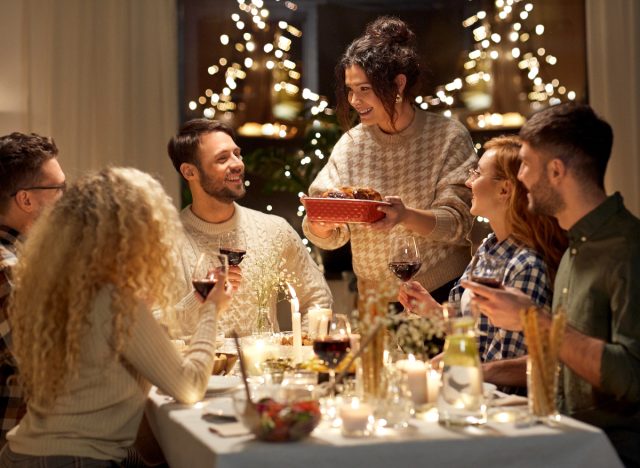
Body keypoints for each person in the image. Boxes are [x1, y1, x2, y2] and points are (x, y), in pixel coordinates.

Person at [0, 167, 231, 465]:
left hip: (22, 454)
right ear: (130, 235)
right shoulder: (113, 301)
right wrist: (211, 310)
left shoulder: (58, 293)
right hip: (74, 460)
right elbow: (189, 386)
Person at [462, 104, 640, 467]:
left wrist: (535, 320)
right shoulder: (576, 248)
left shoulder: (627, 250)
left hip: (610, 452)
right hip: (565, 435)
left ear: (556, 171)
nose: (520, 177)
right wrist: (489, 372)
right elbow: (569, 360)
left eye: (526, 164)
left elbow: (633, 375)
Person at [303, 16, 476, 303]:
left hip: (441, 294)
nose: (354, 101)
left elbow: (460, 224)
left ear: (398, 85)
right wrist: (321, 223)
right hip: (374, 301)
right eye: (350, 90)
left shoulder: (448, 137)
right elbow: (329, 228)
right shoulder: (351, 145)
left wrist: (405, 215)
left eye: (364, 89)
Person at [399, 135, 567, 393]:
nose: (468, 182)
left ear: (504, 190)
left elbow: (503, 365)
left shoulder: (526, 264)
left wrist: (456, 370)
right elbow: (477, 334)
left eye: (476, 174)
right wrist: (432, 310)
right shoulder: (488, 248)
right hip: (472, 392)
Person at [167, 119, 332, 337]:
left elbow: (318, 298)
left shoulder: (273, 230)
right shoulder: (163, 241)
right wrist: (197, 297)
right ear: (190, 172)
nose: (237, 164)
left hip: (263, 371)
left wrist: (296, 352)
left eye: (237, 153)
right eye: (222, 158)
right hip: (200, 371)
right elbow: (145, 324)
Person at [0, 132, 66, 448]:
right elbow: (50, 368)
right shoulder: (9, 270)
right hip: (22, 442)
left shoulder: (23, 256)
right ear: (26, 199)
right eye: (59, 190)